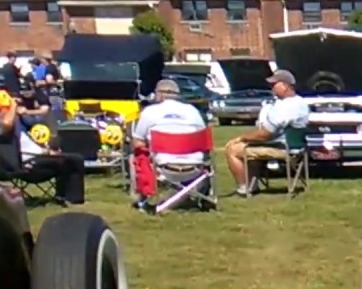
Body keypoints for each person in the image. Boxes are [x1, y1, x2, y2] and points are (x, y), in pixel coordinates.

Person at [0, 90, 86, 205]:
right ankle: (65, 197)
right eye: (6, 109)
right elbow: (7, 124)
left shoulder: (17, 126)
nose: (11, 111)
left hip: (36, 158)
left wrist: (47, 151)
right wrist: (13, 105)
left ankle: (70, 197)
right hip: (28, 165)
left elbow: (29, 146)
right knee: (68, 161)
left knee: (75, 159)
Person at [224, 68, 309, 196]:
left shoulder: (284, 106)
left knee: (232, 149)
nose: (271, 88)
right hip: (298, 147)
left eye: (274, 84)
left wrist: (242, 138)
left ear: (285, 86)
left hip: (282, 148)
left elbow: (265, 134)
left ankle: (244, 187)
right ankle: (252, 184)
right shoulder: (301, 102)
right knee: (251, 149)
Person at [130, 78, 210, 208]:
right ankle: (198, 195)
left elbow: (138, 142)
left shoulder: (150, 111)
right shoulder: (192, 111)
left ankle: (140, 197)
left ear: (160, 95)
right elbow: (203, 138)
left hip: (164, 169)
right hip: (195, 169)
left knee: (134, 155)